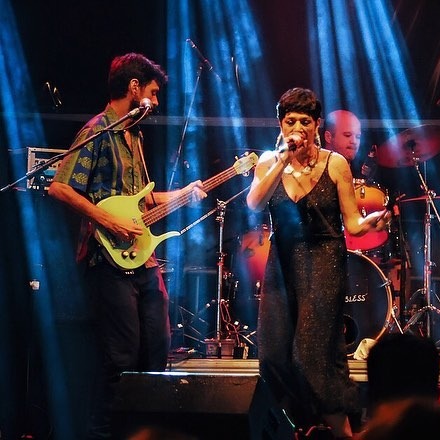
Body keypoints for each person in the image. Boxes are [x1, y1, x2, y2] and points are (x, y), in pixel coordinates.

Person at [49, 52, 207, 439]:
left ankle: (144, 430)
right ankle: (104, 433)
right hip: (106, 258)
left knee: (157, 346)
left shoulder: (134, 137)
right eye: (153, 91)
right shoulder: (97, 130)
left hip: (141, 259)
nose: (157, 100)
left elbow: (145, 200)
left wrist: (184, 194)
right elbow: (60, 188)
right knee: (120, 355)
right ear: (134, 88)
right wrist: (108, 220)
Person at [246, 87, 391, 438]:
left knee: (310, 356)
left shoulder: (335, 163)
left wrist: (370, 223)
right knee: (273, 356)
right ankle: (295, 427)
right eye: (290, 121)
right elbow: (254, 203)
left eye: (305, 122)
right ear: (280, 125)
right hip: (283, 264)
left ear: (317, 125)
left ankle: (344, 432)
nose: (297, 128)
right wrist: (282, 160)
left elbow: (352, 223)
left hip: (324, 260)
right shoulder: (268, 162)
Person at [323, 109, 377, 182]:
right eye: (347, 135)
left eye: (358, 137)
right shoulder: (315, 173)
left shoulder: (361, 174)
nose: (354, 141)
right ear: (328, 137)